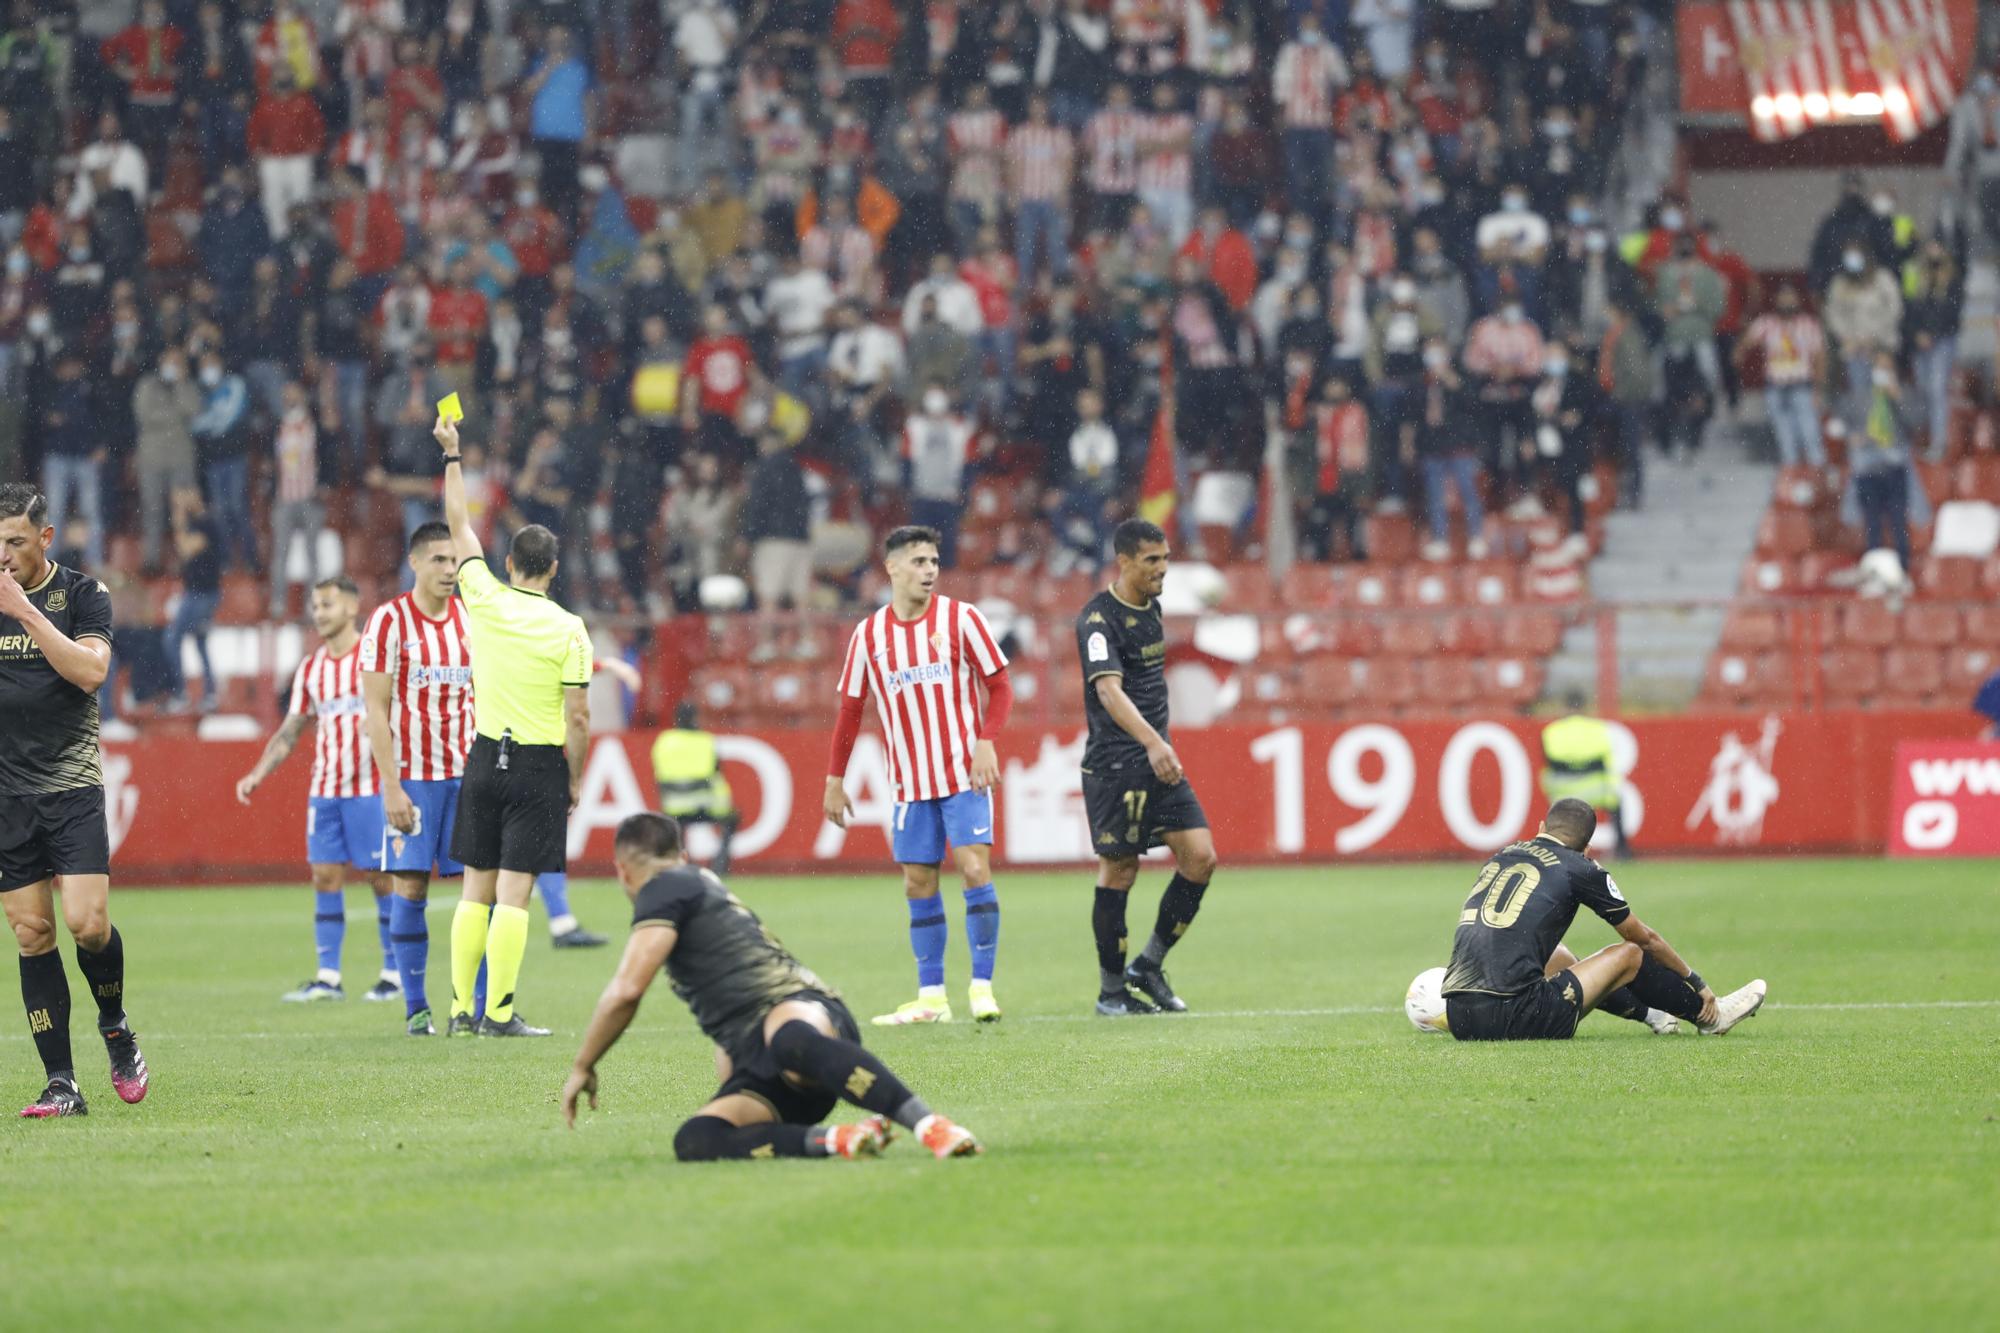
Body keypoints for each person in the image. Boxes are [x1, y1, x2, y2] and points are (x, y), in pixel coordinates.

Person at [560, 812, 982, 1161]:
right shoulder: (698, 880)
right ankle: (839, 1140)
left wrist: (583, 1064)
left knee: (788, 1039)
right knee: (697, 1139)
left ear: (621, 870)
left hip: (808, 1020)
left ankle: (930, 1125)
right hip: (766, 1065)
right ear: (682, 853)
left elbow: (627, 991)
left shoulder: (663, 887)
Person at [433, 413, 592, 1039]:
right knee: (516, 895)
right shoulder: (569, 629)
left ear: (508, 562)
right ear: (552, 569)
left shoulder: (484, 598)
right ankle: (498, 1011)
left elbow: (457, 524)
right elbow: (577, 715)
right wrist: (572, 777)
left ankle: (456, 1011)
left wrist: (452, 456)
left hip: (482, 758)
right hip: (536, 765)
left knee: (475, 890)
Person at [823, 525, 1013, 1026]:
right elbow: (850, 710)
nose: (930, 570)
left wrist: (986, 739)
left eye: (934, 561)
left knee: (974, 869)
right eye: (919, 562)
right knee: (917, 882)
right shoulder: (869, 636)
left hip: (962, 776)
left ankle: (981, 987)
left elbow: (1000, 686)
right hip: (909, 783)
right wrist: (834, 779)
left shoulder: (962, 619)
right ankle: (932, 998)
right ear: (892, 568)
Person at [0, 483, 149, 1118]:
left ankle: (115, 1026)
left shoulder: (84, 595)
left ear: (45, 538)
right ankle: (62, 1083)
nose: (3, 556)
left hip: (70, 784)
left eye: (14, 542)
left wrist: (25, 613)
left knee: (87, 924)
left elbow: (91, 673)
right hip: (8, 795)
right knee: (32, 933)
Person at [1439, 798, 1767, 1041]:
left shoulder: (1504, 854)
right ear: (1587, 847)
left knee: (1558, 956)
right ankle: (1711, 1018)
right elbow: (1644, 940)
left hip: (1460, 1018)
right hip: (1514, 1017)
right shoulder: (1579, 866)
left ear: (1541, 828)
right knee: (1630, 954)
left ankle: (1655, 1015)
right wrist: (1696, 981)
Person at [1076, 519, 1218, 1016]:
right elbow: (1109, 691)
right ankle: (1111, 992)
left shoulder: (1151, 608)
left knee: (1200, 858)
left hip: (1158, 761)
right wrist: (1155, 743)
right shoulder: (1098, 621)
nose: (1162, 568)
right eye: (1152, 560)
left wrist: (1160, 748)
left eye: (1165, 558)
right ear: (1125, 562)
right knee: (1120, 871)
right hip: (1118, 766)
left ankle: (1148, 966)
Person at [234, 577, 399, 1004]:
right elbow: (291, 731)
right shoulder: (312, 668)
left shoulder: (375, 659)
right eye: (315, 605)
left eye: (327, 604)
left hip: (371, 787)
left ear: (351, 607)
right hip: (326, 790)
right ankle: (329, 977)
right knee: (325, 877)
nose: (319, 613)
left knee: (381, 879)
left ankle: (393, 973)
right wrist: (257, 773)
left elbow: (405, 711)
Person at [360, 520, 475, 1037]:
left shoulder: (472, 618)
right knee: (410, 886)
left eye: (454, 561)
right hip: (416, 779)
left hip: (468, 777)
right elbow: (376, 712)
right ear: (415, 563)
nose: (450, 571)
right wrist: (391, 785)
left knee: (483, 890)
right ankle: (417, 1009)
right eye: (439, 561)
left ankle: (476, 1009)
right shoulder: (388, 622)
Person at [653, 701, 737, 877]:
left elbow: (659, 776)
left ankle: (686, 864)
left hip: (674, 808)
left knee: (676, 829)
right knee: (732, 819)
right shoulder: (706, 741)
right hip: (707, 807)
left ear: (676, 720)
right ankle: (719, 866)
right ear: (695, 719)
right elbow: (717, 771)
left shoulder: (663, 741)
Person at [1540, 692, 1629, 859]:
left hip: (1563, 792)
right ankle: (1622, 849)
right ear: (1584, 707)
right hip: (1596, 790)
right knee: (1616, 802)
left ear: (1565, 708)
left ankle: (1554, 851)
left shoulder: (1551, 731)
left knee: (1555, 808)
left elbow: (1549, 764)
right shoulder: (1599, 728)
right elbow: (1607, 763)